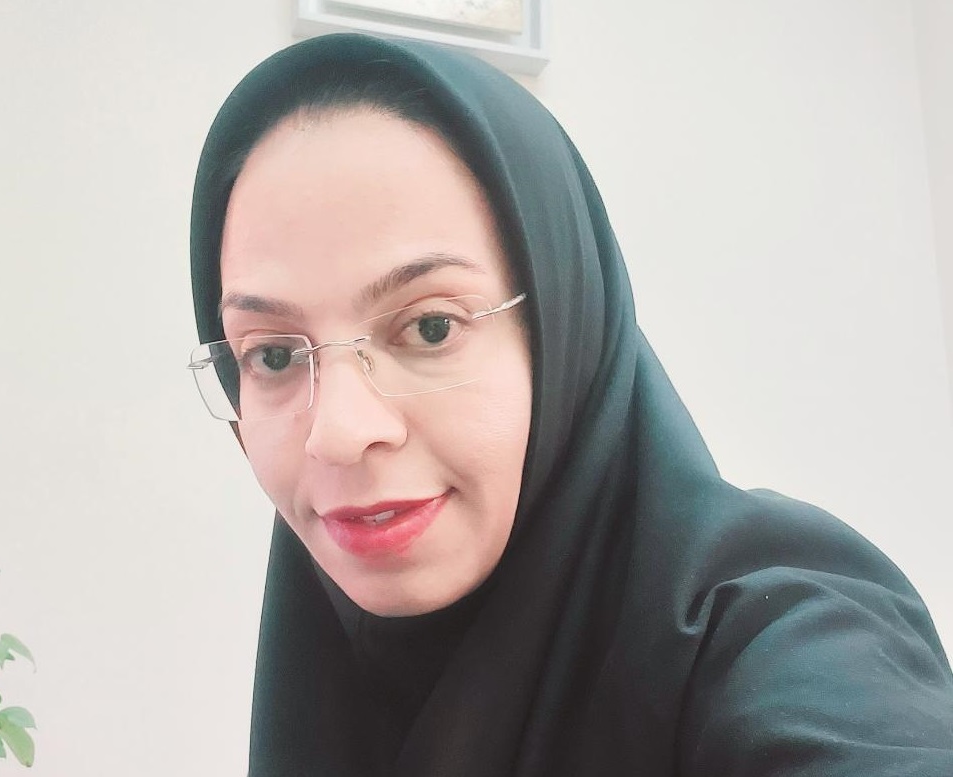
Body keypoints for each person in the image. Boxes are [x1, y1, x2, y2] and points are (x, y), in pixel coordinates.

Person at [188, 33, 953, 776]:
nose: (337, 433)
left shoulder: (768, 627)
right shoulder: (329, 662)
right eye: (274, 355)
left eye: (430, 327)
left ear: (562, 330)